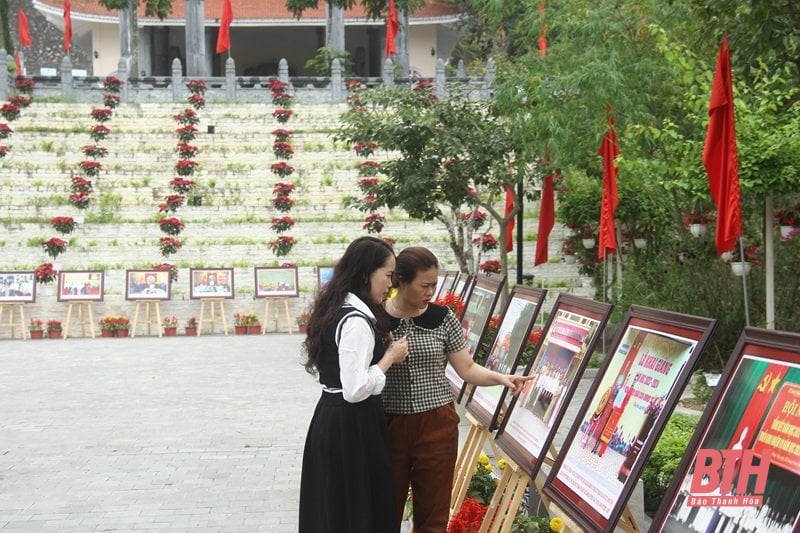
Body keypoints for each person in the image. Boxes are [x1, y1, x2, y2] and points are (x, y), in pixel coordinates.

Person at [382, 246, 532, 532]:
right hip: (388, 424)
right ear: (400, 280)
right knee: (384, 509)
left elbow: (467, 368)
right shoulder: (378, 319)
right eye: (424, 285)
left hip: (436, 424)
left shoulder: (443, 317)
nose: (430, 292)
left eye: (434, 285)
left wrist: (502, 378)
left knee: (434, 513)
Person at [298, 236, 409, 533]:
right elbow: (355, 389)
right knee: (357, 507)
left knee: (334, 507)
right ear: (365, 274)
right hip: (352, 425)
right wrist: (389, 358)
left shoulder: (337, 309)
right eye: (387, 275)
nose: (391, 284)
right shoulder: (356, 321)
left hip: (332, 418)